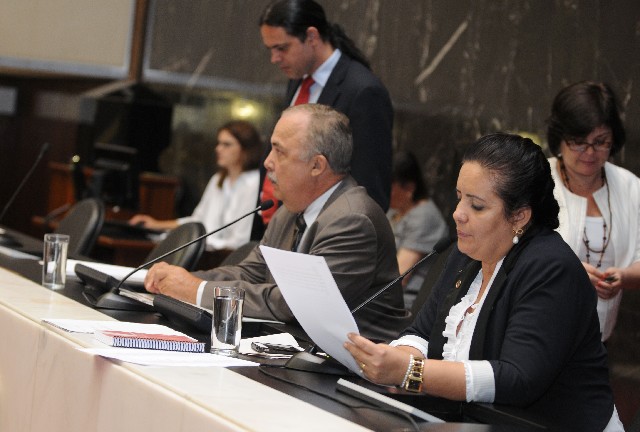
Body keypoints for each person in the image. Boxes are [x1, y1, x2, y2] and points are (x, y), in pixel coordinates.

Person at [344, 133, 623, 431]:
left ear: (519, 216)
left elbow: (517, 379)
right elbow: (421, 333)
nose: (458, 214)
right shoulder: (465, 252)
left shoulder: (552, 269)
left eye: (476, 206)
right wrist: (393, 358)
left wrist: (410, 371)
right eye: (459, 197)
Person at [143, 104, 409, 341]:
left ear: (317, 166)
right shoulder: (289, 210)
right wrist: (181, 280)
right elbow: (251, 273)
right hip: (295, 348)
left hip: (356, 367)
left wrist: (196, 290)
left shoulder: (352, 220)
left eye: (279, 152)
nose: (267, 162)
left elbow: (296, 305)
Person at [257, 0, 393, 222]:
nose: (274, 59)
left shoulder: (364, 91)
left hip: (326, 233)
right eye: (270, 49)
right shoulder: (298, 78)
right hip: (277, 223)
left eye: (282, 48)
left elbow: (370, 193)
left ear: (311, 37)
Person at [547, 80, 640, 343]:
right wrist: (569, 272)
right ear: (560, 138)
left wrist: (623, 277)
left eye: (600, 142)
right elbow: (508, 255)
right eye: (579, 142)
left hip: (598, 338)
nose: (589, 152)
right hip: (538, 333)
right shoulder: (535, 181)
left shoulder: (630, 186)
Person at [129, 120, 263, 252]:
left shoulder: (254, 183)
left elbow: (239, 241)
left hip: (227, 257)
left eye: (226, 144)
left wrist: (197, 243)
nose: (218, 149)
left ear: (246, 149)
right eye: (218, 143)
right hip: (205, 252)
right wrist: (157, 225)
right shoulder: (218, 179)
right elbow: (197, 221)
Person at [387, 150, 449, 309]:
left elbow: (398, 277)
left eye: (390, 187)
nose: (385, 191)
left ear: (409, 188)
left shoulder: (424, 216)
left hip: (405, 304)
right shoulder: (394, 211)